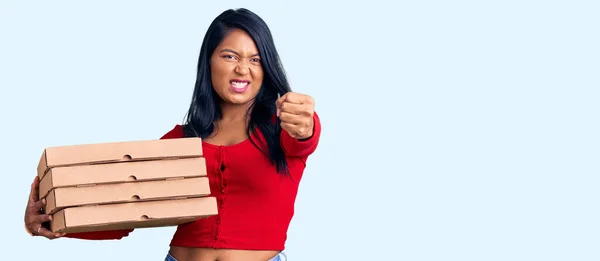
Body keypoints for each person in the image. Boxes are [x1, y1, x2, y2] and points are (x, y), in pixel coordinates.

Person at [23, 8, 321, 261]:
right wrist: (53, 222)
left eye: (255, 59)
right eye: (230, 56)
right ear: (209, 61)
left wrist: (305, 124)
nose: (243, 68)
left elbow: (304, 138)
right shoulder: (180, 139)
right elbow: (128, 212)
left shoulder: (285, 126)